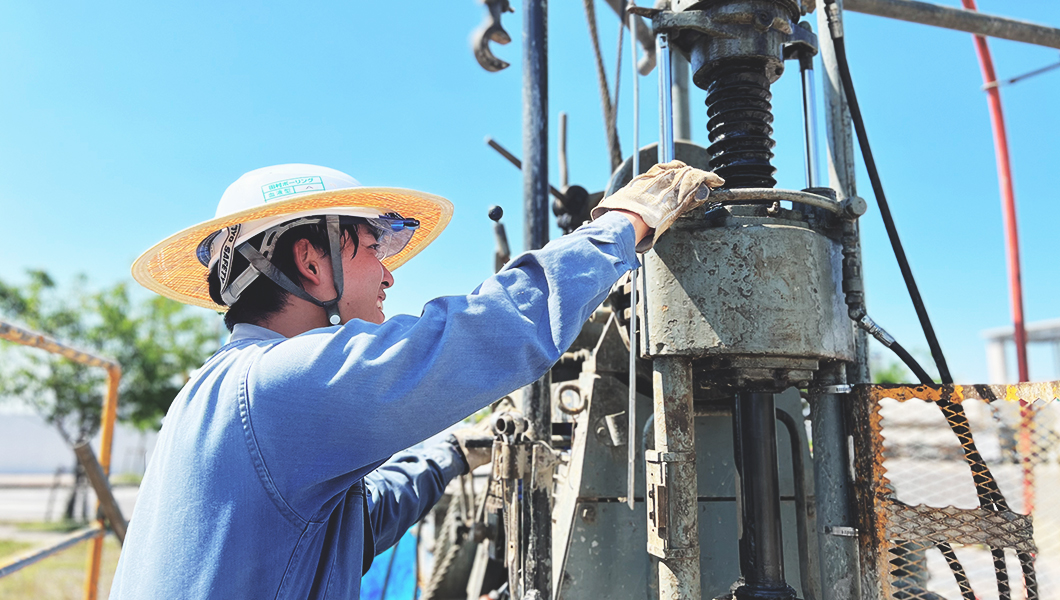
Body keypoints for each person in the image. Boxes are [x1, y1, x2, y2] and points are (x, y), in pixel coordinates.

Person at [113, 161, 723, 599]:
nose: (389, 275)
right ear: (309, 260)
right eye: (372, 248)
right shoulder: (279, 385)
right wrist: (622, 224)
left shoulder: (217, 391)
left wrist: (451, 454)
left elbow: (347, 534)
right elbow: (487, 332)